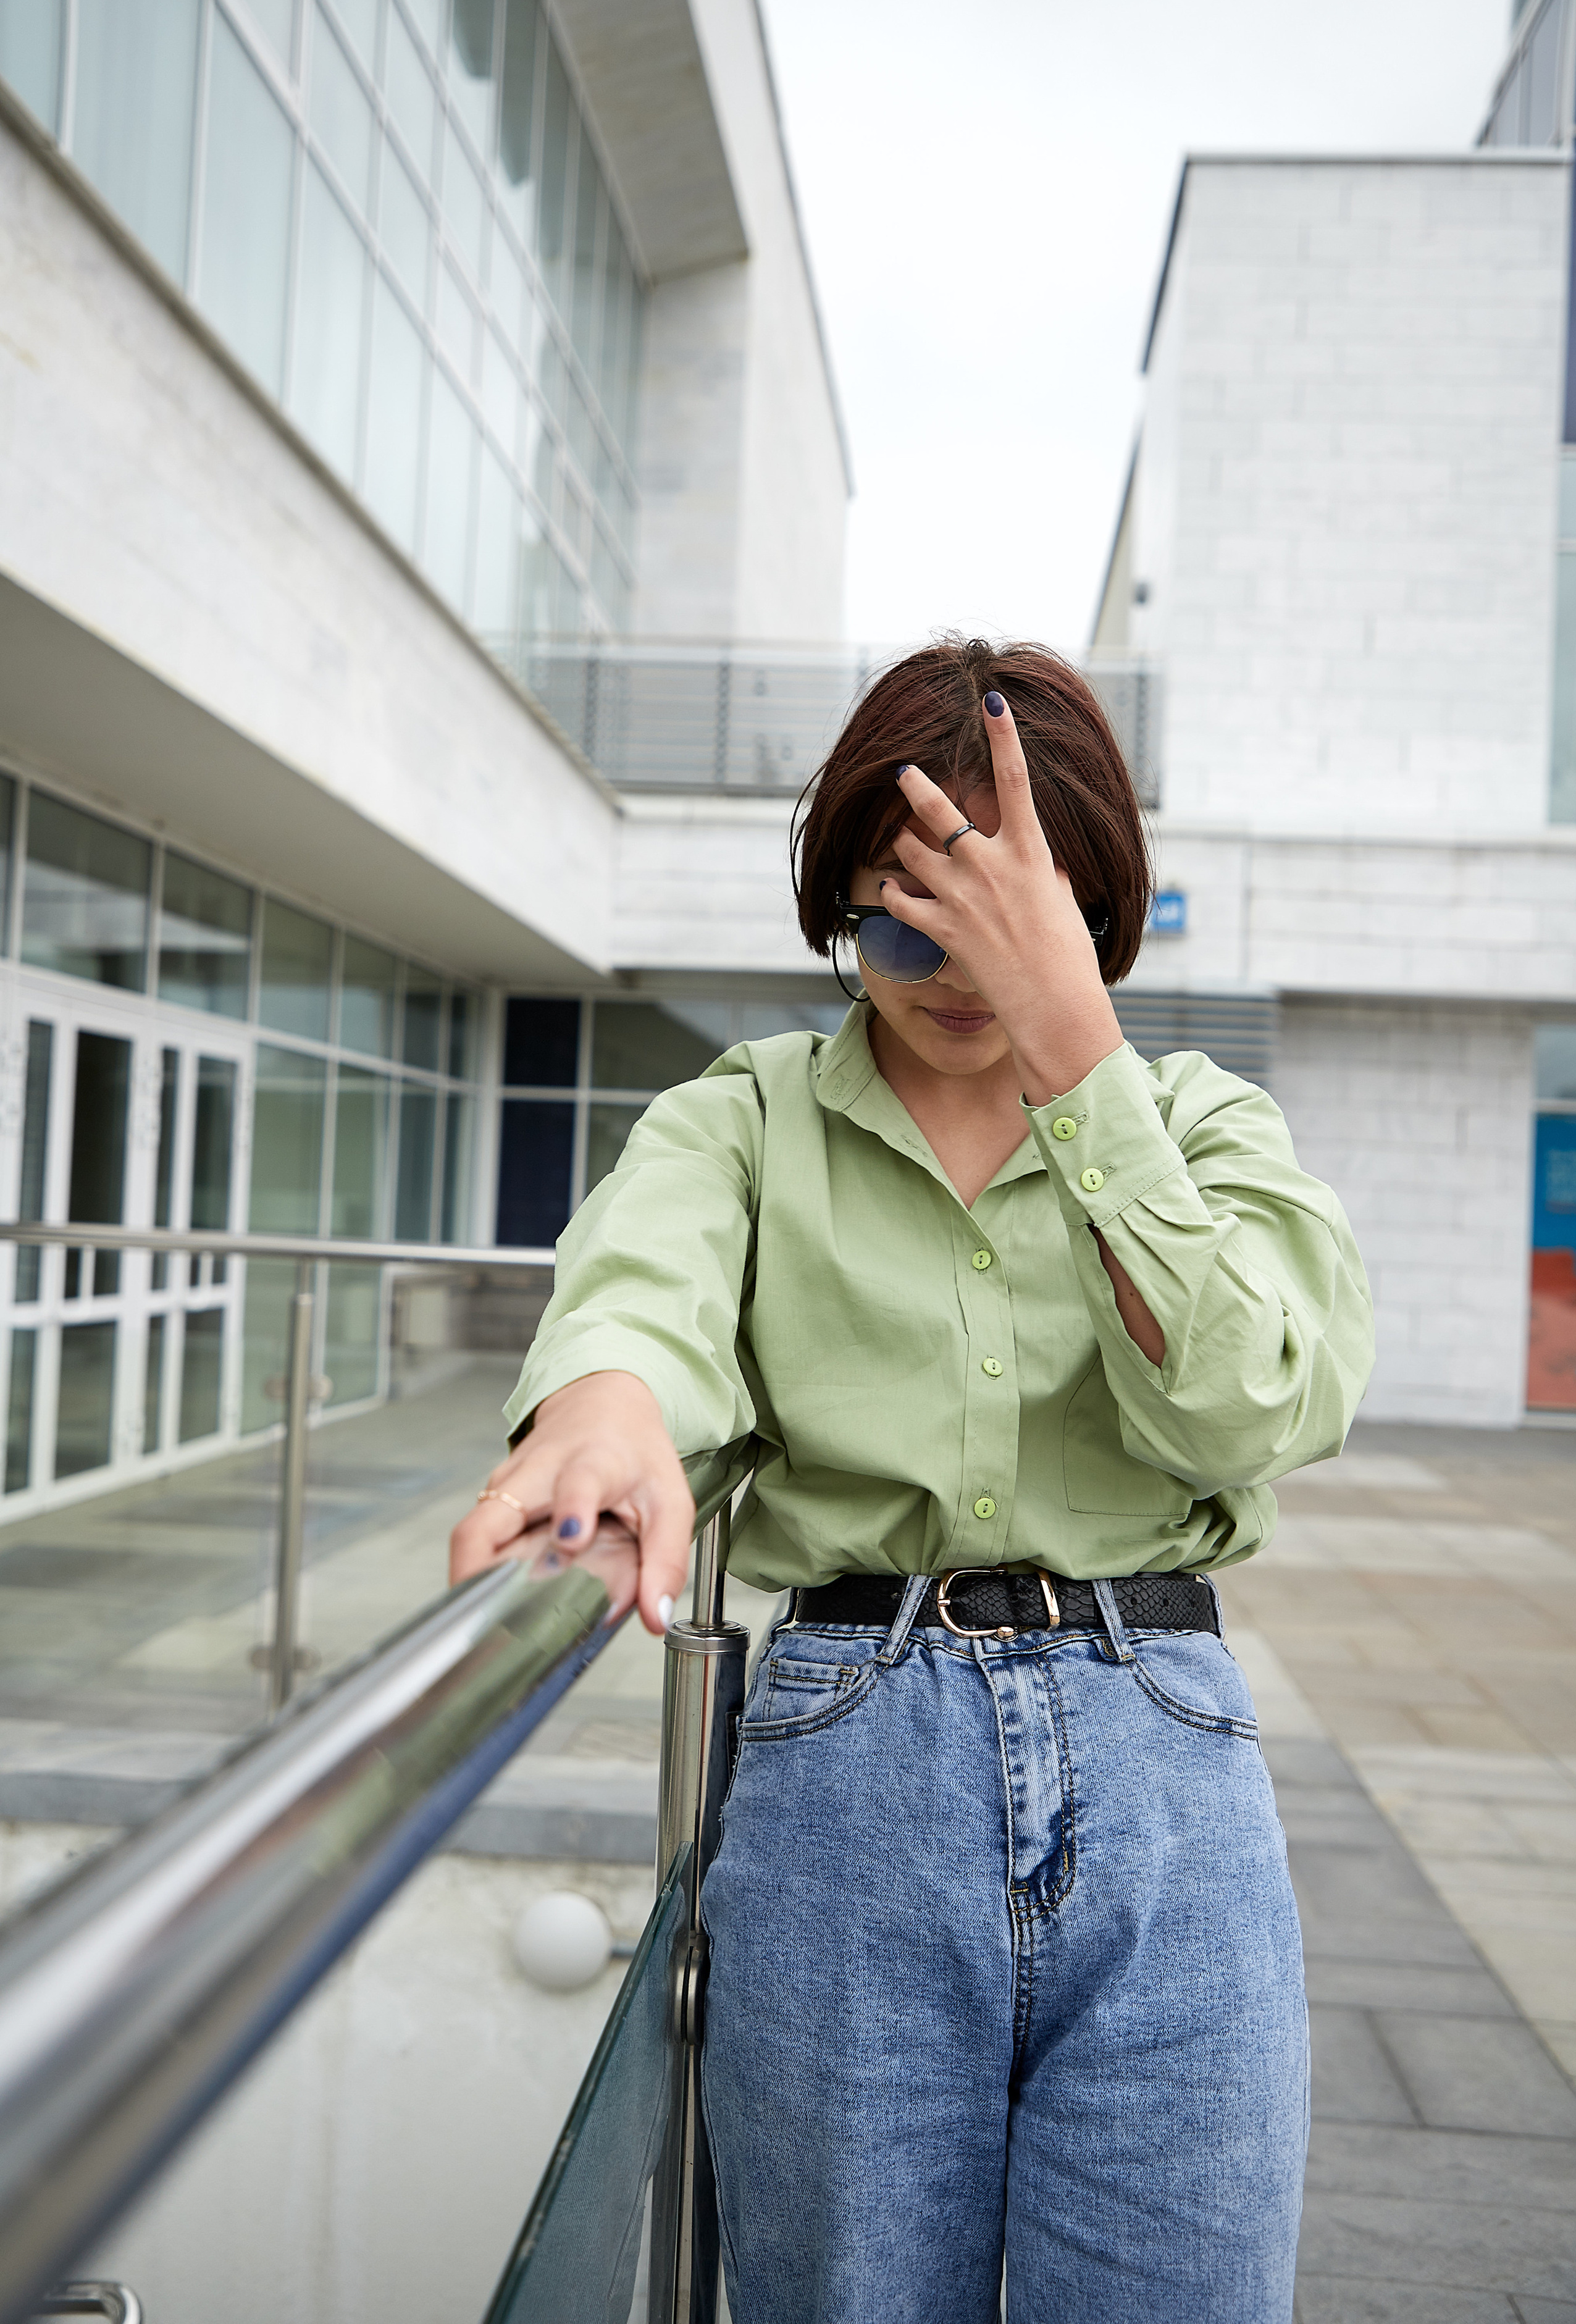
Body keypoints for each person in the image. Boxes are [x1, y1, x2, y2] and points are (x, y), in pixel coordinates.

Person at [450, 639, 1375, 2324]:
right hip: (848, 1758)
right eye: (901, 927)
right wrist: (601, 1410)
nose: (953, 976)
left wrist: (1083, 1066)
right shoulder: (749, 1121)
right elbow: (644, 1290)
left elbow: (1249, 1405)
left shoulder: (1201, 1126)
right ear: (836, 912)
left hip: (1164, 1746)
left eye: (1014, 929)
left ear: (1099, 931)